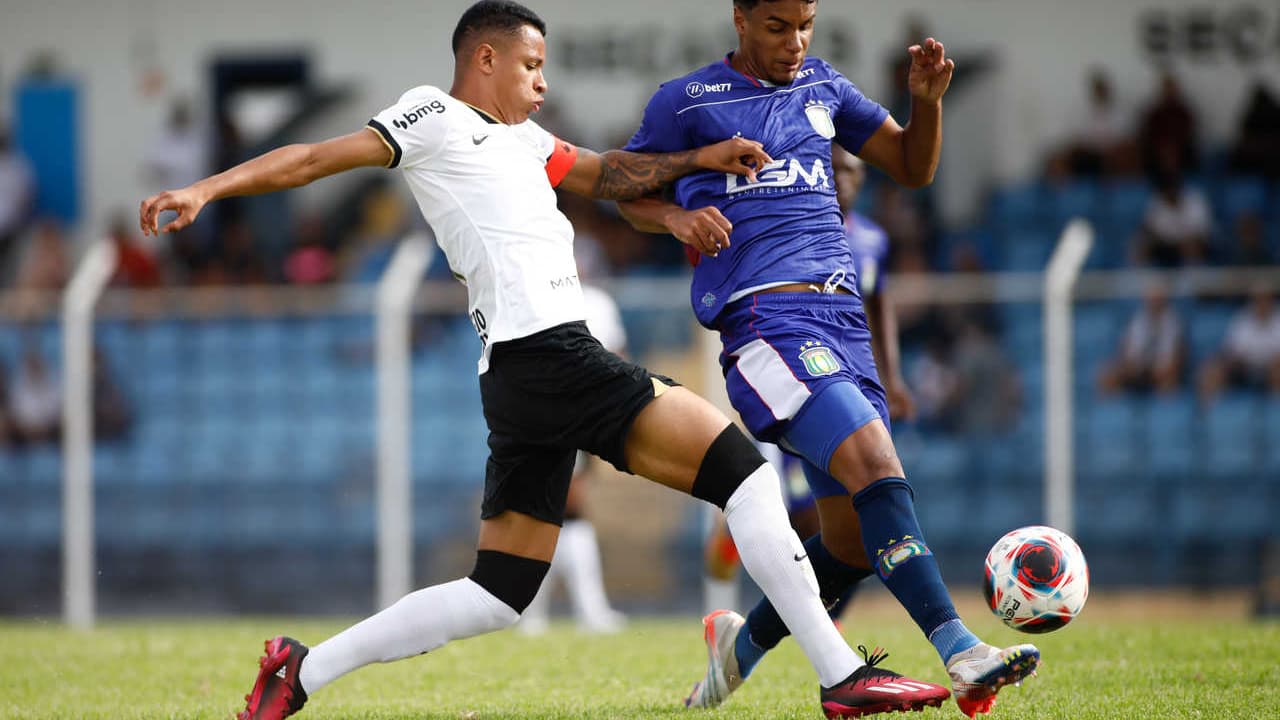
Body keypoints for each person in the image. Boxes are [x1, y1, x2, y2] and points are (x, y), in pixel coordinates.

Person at [139, 3, 948, 719]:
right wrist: (207, 191)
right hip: (551, 353)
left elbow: (606, 175)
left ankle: (303, 669)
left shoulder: (526, 140)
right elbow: (316, 158)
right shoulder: (431, 115)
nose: (541, 83)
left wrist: (693, 168)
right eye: (531, 65)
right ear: (483, 60)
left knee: (497, 594)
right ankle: (840, 674)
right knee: (741, 472)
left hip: (518, 377)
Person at [617, 2, 1039, 717]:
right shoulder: (687, 100)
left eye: (806, 22)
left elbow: (912, 165)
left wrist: (926, 104)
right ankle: (962, 649)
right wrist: (675, 216)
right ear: (741, 18)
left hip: (841, 325)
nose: (796, 40)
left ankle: (737, 651)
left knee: (845, 543)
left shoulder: (825, 87)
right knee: (878, 466)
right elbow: (623, 184)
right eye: (778, 25)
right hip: (765, 324)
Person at [699, 145, 915, 620]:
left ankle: (817, 621)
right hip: (795, 384)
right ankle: (752, 580)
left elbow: (879, 302)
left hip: (846, 384)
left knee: (843, 521)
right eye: (833, 170)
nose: (843, 179)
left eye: (853, 171)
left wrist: (891, 377)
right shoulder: (786, 233)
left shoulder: (872, 241)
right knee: (801, 514)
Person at [517, 280, 628, 635]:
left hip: (571, 406)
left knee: (561, 505)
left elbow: (616, 355)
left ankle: (542, 610)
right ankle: (544, 609)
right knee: (559, 505)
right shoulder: (551, 296)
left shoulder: (587, 299)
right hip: (558, 405)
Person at [1098, 283, 1185, 396]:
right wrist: (1133, 366)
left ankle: (1164, 411)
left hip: (1160, 371)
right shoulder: (1137, 320)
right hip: (1138, 368)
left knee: (1168, 379)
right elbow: (1126, 352)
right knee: (1107, 375)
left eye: (1157, 299)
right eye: (1151, 299)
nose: (1154, 302)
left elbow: (1175, 359)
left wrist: (1156, 368)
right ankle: (1114, 412)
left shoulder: (1174, 322)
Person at [1197, 287, 1280, 404]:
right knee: (1212, 370)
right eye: (1258, 299)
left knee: (1277, 370)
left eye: (1265, 299)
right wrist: (1237, 361)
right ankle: (1211, 417)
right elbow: (1231, 352)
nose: (1262, 303)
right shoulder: (1242, 318)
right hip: (1244, 368)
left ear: (1271, 300)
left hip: (1271, 369)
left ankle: (1276, 412)